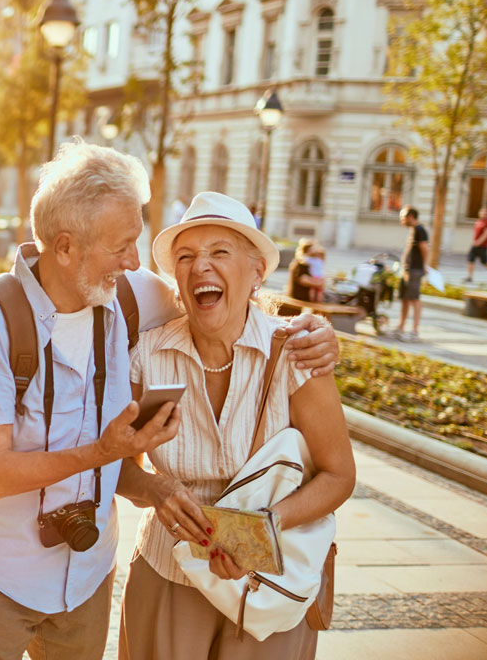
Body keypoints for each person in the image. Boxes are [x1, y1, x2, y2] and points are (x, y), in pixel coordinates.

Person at [0, 144, 339, 660]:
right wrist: (111, 457)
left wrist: (316, 330)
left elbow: (226, 296)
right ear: (65, 248)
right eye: (122, 245)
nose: (134, 261)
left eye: (137, 243)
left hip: (86, 574)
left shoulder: (132, 296)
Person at [116, 192, 356, 660]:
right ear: (176, 279)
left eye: (219, 252)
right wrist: (153, 489)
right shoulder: (148, 357)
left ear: (256, 272)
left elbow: (339, 474)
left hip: (271, 580)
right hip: (170, 571)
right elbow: (120, 461)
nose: (200, 266)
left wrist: (260, 530)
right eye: (185, 257)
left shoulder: (295, 353)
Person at [396, 207, 430, 341]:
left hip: (415, 270)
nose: (401, 221)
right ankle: (400, 327)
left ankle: (414, 331)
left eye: (403, 218)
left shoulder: (420, 230)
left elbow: (425, 249)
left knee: (414, 299)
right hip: (408, 269)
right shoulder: (413, 230)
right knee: (404, 298)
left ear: (410, 216)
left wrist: (424, 266)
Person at [463, 206, 487, 284]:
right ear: (479, 213)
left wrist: (478, 242)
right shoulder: (478, 222)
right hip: (475, 245)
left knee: (485, 262)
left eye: (486, 212)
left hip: (482, 246)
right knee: (470, 260)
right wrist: (473, 243)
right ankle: (469, 277)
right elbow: (475, 234)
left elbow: (486, 234)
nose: (484, 214)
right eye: (482, 212)